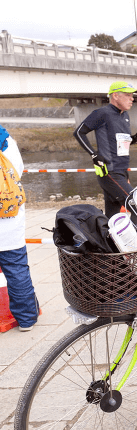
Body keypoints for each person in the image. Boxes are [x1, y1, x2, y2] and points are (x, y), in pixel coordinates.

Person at [74, 81, 137, 230]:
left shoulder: (125, 116)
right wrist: (94, 155)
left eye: (132, 95)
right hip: (109, 171)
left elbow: (120, 143)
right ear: (115, 95)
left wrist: (134, 138)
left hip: (120, 171)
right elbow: (78, 132)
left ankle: (109, 250)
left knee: (112, 218)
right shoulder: (102, 113)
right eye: (128, 95)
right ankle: (129, 247)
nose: (132, 99)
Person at [0, 125, 39, 331]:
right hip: (8, 220)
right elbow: (18, 171)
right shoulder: (7, 143)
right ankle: (26, 319)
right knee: (16, 270)